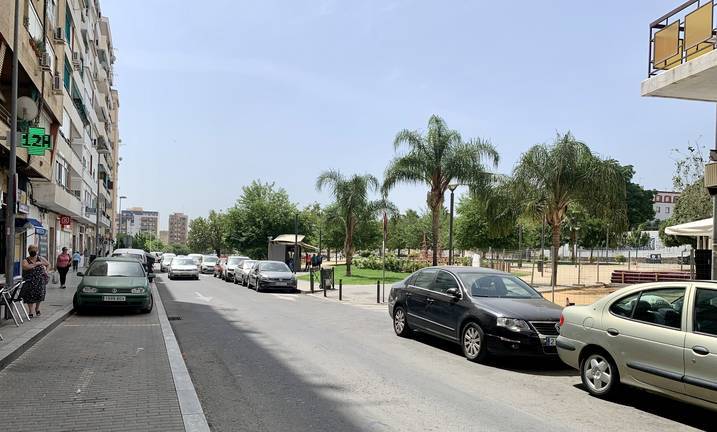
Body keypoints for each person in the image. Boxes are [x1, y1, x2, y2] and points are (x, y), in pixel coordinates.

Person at [21, 245, 49, 318]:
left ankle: (37, 308)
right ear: (29, 251)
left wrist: (46, 271)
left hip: (40, 281)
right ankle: (30, 311)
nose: (33, 252)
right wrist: (36, 264)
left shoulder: (40, 258)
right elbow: (26, 267)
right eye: (32, 250)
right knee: (29, 296)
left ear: (37, 251)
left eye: (35, 250)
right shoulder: (25, 260)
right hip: (29, 281)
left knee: (39, 295)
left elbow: (48, 264)